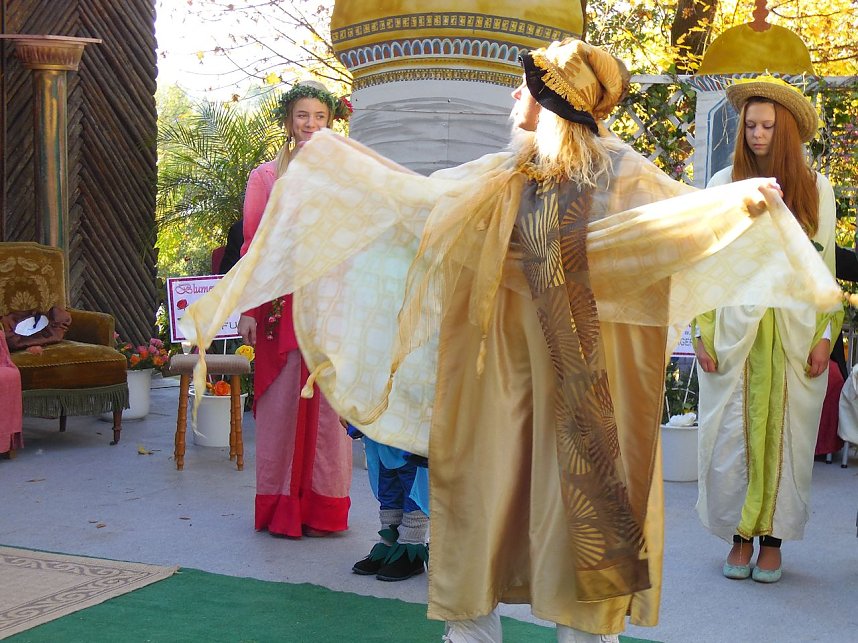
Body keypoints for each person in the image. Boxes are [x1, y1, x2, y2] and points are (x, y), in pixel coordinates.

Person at [180, 40, 842, 642]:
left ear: (556, 100)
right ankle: (472, 630)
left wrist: (737, 204)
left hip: (585, 379)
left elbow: (669, 229)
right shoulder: (505, 173)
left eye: (526, 86)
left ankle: (586, 633)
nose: (513, 97)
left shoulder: (621, 172)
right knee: (481, 493)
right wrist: (333, 163)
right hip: (498, 372)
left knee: (583, 515)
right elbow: (421, 204)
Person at [694, 75, 842, 584]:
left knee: (789, 436)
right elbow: (706, 264)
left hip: (796, 328)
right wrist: (702, 330)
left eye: (768, 127)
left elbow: (824, 268)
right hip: (736, 326)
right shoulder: (720, 185)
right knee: (731, 435)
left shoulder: (816, 188)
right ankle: (739, 537)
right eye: (751, 125)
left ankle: (773, 541)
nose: (757, 134)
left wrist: (826, 333)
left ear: (787, 133)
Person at [237, 80, 354, 539]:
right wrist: (248, 307)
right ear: (289, 122)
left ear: (331, 121)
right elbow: (253, 246)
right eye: (303, 116)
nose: (311, 124)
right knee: (282, 405)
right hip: (278, 302)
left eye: (320, 117)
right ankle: (278, 505)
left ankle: (323, 509)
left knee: (329, 409)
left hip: (330, 301)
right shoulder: (267, 177)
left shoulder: (346, 175)